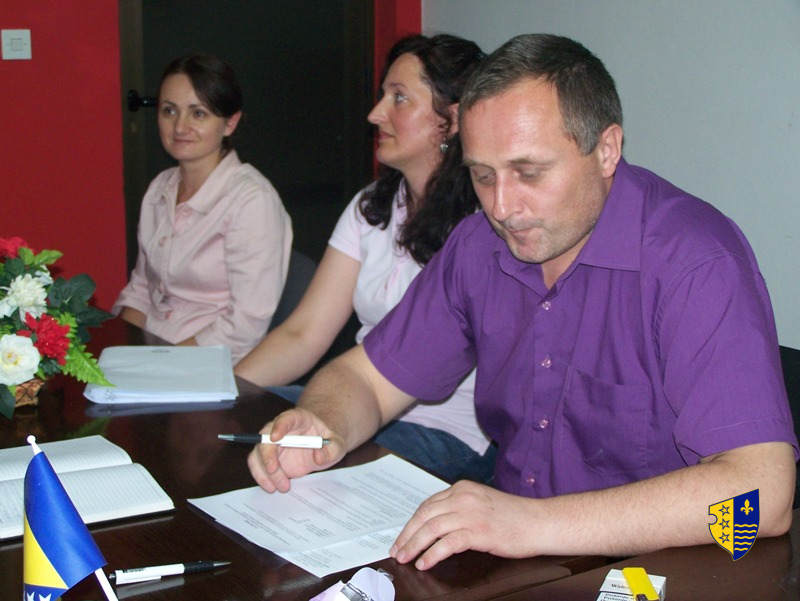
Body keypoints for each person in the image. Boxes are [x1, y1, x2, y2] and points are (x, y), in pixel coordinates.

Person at [247, 33, 799, 569]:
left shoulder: (695, 260)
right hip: (516, 561)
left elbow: (762, 500)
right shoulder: (479, 246)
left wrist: (531, 524)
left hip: (643, 569)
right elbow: (367, 379)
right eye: (483, 176)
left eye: (529, 173)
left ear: (606, 150)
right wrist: (323, 422)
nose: (503, 207)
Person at [235, 34, 493, 483]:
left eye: (399, 98)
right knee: (247, 422)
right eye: (382, 95)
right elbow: (302, 333)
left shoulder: (484, 224)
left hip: (448, 431)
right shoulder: (371, 206)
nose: (375, 114)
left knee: (303, 469)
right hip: (358, 403)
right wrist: (227, 392)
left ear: (451, 121)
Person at [114, 54, 292, 362]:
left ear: (230, 123)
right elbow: (142, 289)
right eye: (169, 111)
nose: (180, 126)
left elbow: (244, 325)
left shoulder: (252, 200)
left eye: (198, 114)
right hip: (154, 353)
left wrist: (157, 363)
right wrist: (117, 354)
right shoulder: (160, 188)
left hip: (213, 364)